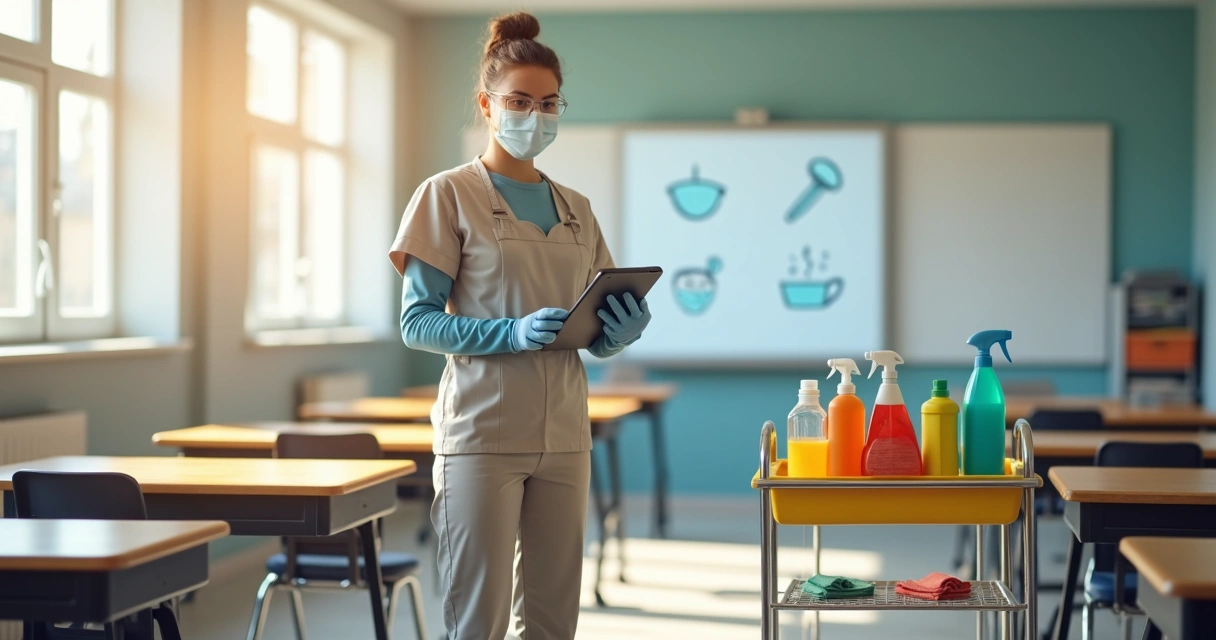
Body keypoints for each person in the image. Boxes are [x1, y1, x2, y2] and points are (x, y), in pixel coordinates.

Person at [388, 11, 651, 639]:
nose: (535, 115)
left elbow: (595, 318)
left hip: (564, 430)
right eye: (519, 101)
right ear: (487, 103)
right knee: (476, 616)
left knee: (554, 618)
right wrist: (508, 333)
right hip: (482, 432)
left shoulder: (577, 210)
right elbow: (417, 323)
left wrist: (618, 330)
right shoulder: (445, 195)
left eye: (549, 102)